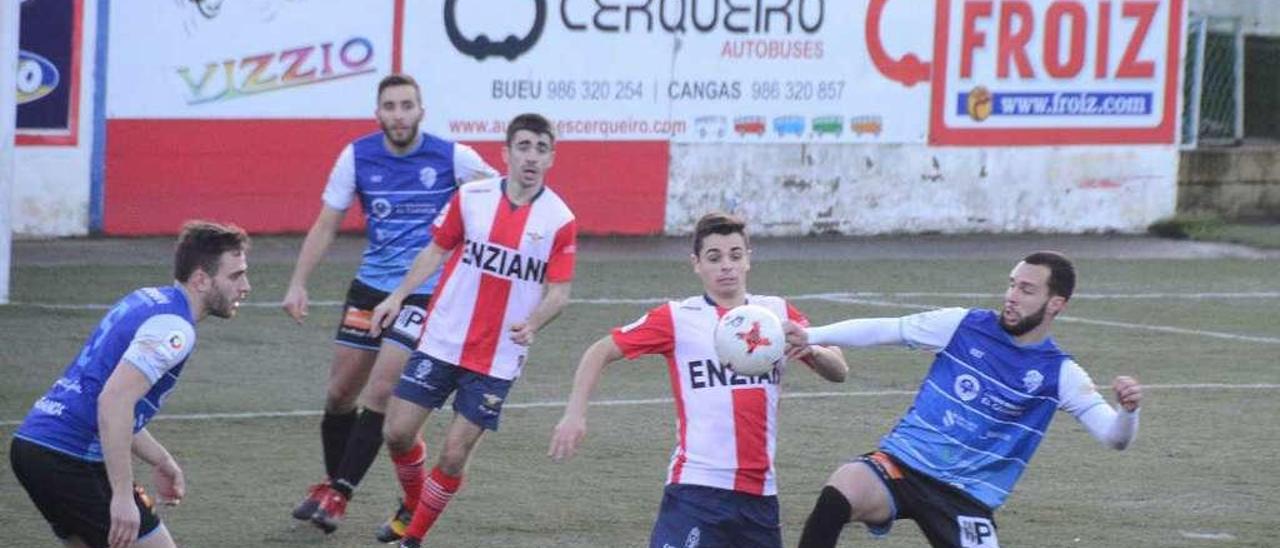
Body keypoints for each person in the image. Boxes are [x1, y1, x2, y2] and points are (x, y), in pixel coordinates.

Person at [788, 251, 1144, 548]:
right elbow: (886, 329)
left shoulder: (1060, 374)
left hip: (966, 497)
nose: (1012, 296)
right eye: (1011, 284)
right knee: (841, 490)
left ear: (1056, 304)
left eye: (1026, 290)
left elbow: (1115, 437)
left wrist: (1128, 411)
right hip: (903, 464)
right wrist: (811, 335)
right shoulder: (962, 325)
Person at [549, 212, 850, 548]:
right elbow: (600, 350)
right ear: (696, 264)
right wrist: (574, 414)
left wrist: (812, 348)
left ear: (748, 260)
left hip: (760, 496)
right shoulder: (677, 318)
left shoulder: (775, 314)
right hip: (696, 490)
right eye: (714, 257)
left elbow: (839, 371)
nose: (726, 266)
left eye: (735, 255)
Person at [281, 73, 496, 538]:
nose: (399, 115)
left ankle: (340, 490)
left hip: (424, 292)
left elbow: (500, 197)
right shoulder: (356, 156)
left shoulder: (452, 157)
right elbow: (325, 225)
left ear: (422, 110)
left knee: (379, 392)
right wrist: (298, 282)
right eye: (391, 107)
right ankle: (334, 483)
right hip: (369, 289)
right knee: (340, 394)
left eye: (407, 106)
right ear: (378, 113)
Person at [367, 113, 577, 548]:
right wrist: (397, 296)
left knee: (455, 451)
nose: (531, 157)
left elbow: (559, 293)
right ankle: (413, 502)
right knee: (397, 432)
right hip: (443, 338)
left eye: (541, 148)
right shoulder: (471, 197)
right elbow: (435, 251)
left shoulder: (559, 219)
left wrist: (533, 322)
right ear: (506, 153)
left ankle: (413, 538)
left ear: (552, 157)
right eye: (523, 146)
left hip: (498, 357)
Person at [10, 221, 251, 548]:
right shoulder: (174, 329)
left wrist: (161, 460)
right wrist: (122, 498)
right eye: (235, 276)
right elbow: (113, 403)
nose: (246, 286)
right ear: (201, 280)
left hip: (37, 444)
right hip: (69, 456)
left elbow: (110, 401)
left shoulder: (147, 299)